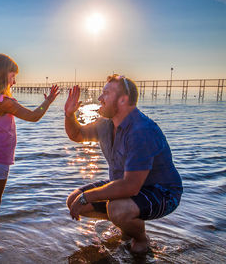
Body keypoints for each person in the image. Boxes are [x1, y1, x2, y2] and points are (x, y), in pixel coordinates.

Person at [64, 75, 183, 254]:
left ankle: (141, 237)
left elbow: (131, 187)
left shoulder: (141, 130)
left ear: (123, 99)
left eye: (106, 93)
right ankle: (128, 226)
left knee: (116, 209)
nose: (100, 98)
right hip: (128, 186)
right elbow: (77, 134)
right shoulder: (105, 124)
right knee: (74, 200)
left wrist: (87, 197)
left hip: (163, 192)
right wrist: (69, 114)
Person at [0, 53, 59, 255]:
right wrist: (47, 101)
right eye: (13, 75)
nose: (15, 80)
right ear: (4, 75)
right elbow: (33, 116)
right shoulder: (5, 102)